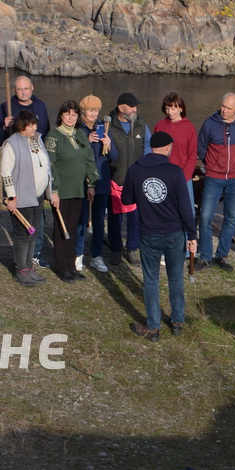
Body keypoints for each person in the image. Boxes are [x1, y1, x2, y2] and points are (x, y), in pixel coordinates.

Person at [122, 131, 197, 342]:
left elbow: (126, 199)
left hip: (149, 232)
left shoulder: (135, 170)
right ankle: (177, 322)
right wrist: (192, 234)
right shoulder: (175, 172)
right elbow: (185, 207)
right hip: (174, 233)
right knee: (175, 278)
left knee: (151, 280)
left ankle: (153, 327)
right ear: (168, 147)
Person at [0, 75, 51, 267]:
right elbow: (0, 140)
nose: (23, 92)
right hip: (21, 176)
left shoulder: (40, 106)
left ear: (32, 88)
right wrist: (5, 126)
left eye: (26, 88)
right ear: (14, 90)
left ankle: (35, 254)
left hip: (38, 179)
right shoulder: (6, 107)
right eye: (19, 89)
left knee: (38, 222)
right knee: (23, 230)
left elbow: (45, 135)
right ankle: (22, 264)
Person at [196, 92, 235, 271]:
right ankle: (205, 256)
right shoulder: (209, 124)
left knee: (231, 217)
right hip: (214, 178)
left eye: (229, 108)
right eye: (223, 106)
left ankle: (222, 255)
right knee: (205, 216)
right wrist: (211, 165)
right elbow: (201, 148)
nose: (224, 110)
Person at [44, 100, 98, 283]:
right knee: (62, 228)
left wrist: (91, 184)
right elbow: (50, 165)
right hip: (61, 191)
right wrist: (54, 190)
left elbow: (89, 159)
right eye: (67, 114)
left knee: (74, 228)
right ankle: (62, 267)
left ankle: (72, 265)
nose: (70, 117)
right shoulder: (53, 136)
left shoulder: (81, 134)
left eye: (74, 114)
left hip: (78, 189)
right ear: (61, 115)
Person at [1, 110, 56, 287]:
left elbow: (46, 166)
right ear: (22, 126)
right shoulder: (11, 144)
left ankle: (29, 265)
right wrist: (11, 197)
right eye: (31, 125)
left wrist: (50, 190)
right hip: (21, 197)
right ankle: (21, 269)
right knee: (22, 235)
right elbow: (6, 173)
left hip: (37, 195)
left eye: (35, 124)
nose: (35, 127)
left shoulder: (37, 139)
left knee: (33, 232)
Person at [107, 92, 151, 266]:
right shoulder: (108, 125)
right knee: (115, 218)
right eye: (131, 106)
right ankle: (115, 249)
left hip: (135, 180)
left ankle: (132, 248)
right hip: (115, 178)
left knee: (135, 217)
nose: (135, 109)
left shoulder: (141, 125)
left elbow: (148, 147)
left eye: (135, 106)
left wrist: (145, 169)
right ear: (121, 108)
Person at [75, 95, 117, 273]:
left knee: (99, 221)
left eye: (96, 110)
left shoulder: (103, 127)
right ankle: (78, 254)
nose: (93, 114)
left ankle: (96, 256)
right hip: (83, 182)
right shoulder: (78, 129)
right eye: (90, 110)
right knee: (82, 220)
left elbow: (113, 157)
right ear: (83, 111)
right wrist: (86, 141)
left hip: (101, 181)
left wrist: (109, 144)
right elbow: (73, 155)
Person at [153, 92, 198, 209]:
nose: (170, 112)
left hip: (183, 177)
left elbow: (192, 155)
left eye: (173, 108)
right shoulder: (160, 125)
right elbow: (154, 150)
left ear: (181, 108)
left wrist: (184, 177)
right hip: (163, 175)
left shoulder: (189, 128)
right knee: (165, 210)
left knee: (188, 211)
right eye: (167, 109)